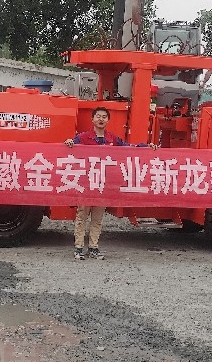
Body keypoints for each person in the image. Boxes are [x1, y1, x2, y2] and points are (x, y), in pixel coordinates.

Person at [64, 107, 157, 260]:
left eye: (104, 117)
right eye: (98, 116)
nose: (101, 119)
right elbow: (70, 145)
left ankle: (93, 248)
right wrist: (69, 142)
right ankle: (78, 248)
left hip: (102, 185)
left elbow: (129, 148)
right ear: (92, 119)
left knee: (97, 219)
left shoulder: (112, 139)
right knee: (81, 217)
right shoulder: (83, 137)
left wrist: (146, 147)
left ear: (108, 120)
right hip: (86, 184)